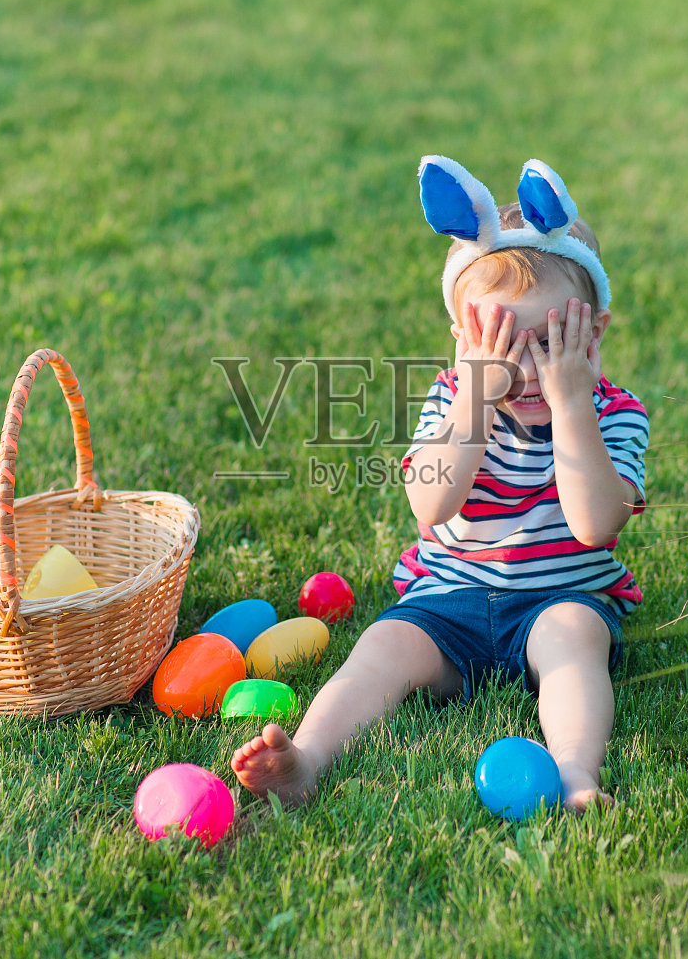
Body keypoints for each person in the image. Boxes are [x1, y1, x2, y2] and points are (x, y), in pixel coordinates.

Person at [231, 156, 650, 812]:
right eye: (504, 345)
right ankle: (307, 757)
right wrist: (475, 398)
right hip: (445, 604)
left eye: (550, 341)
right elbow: (431, 502)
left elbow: (597, 523)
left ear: (592, 335)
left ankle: (573, 773)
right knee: (380, 646)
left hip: (558, 599)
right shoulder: (454, 398)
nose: (530, 367)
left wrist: (572, 405)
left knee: (575, 640)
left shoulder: (614, 413)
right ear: (464, 344)